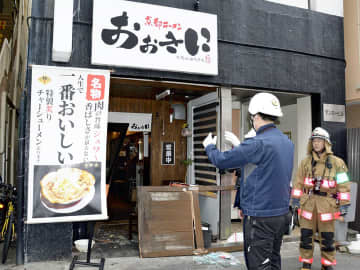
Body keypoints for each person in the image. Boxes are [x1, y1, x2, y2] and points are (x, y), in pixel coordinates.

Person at [203, 92, 294, 270]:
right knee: (273, 260)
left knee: (259, 264)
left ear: (257, 116)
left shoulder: (257, 143)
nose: (252, 120)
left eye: (252, 117)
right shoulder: (286, 142)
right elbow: (263, 169)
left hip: (261, 217)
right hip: (281, 214)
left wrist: (209, 147)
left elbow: (221, 160)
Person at [291, 127, 351, 270]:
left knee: (327, 237)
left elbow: (343, 185)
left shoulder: (337, 163)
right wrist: (295, 201)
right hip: (307, 205)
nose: (316, 144)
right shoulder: (305, 163)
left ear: (326, 143)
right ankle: (306, 263)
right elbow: (298, 182)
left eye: (319, 141)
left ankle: (327, 264)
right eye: (314, 141)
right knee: (306, 236)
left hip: (327, 206)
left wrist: (344, 205)